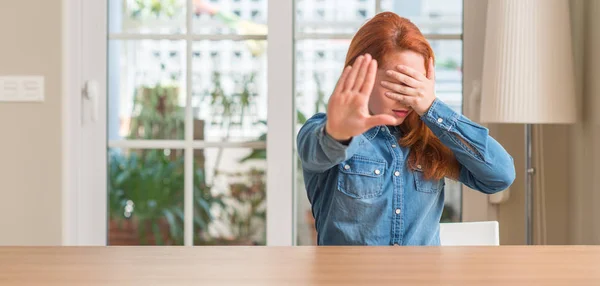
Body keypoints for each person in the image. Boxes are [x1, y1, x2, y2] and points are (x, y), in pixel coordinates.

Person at [296, 12, 516, 246]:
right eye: (397, 84)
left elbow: (500, 176)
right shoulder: (323, 130)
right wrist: (339, 133)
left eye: (415, 85)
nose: (406, 99)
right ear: (361, 75)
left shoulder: (431, 136)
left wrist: (432, 108)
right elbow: (319, 152)